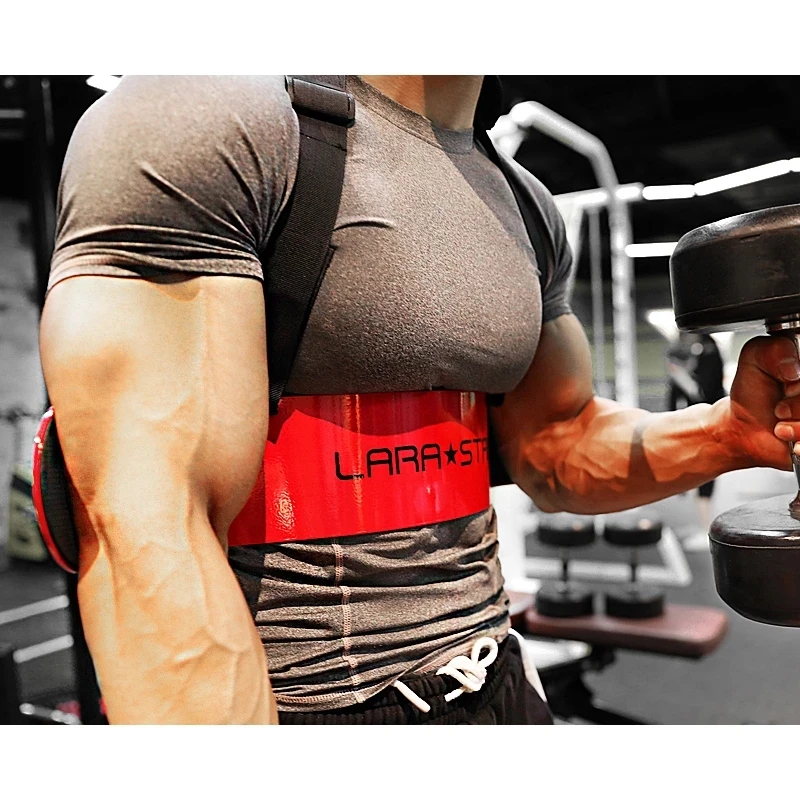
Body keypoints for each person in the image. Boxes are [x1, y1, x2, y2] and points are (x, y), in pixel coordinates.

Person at [39, 75, 800, 724]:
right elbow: (148, 532)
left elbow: (555, 446)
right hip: (300, 708)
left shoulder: (523, 203)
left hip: (495, 676)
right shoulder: (215, 119)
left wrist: (729, 430)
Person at [666, 332, 728, 536]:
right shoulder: (701, 353)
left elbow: (704, 392)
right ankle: (704, 525)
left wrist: (681, 377)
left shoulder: (709, 353)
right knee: (701, 474)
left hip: (709, 422)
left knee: (706, 475)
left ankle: (705, 528)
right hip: (701, 420)